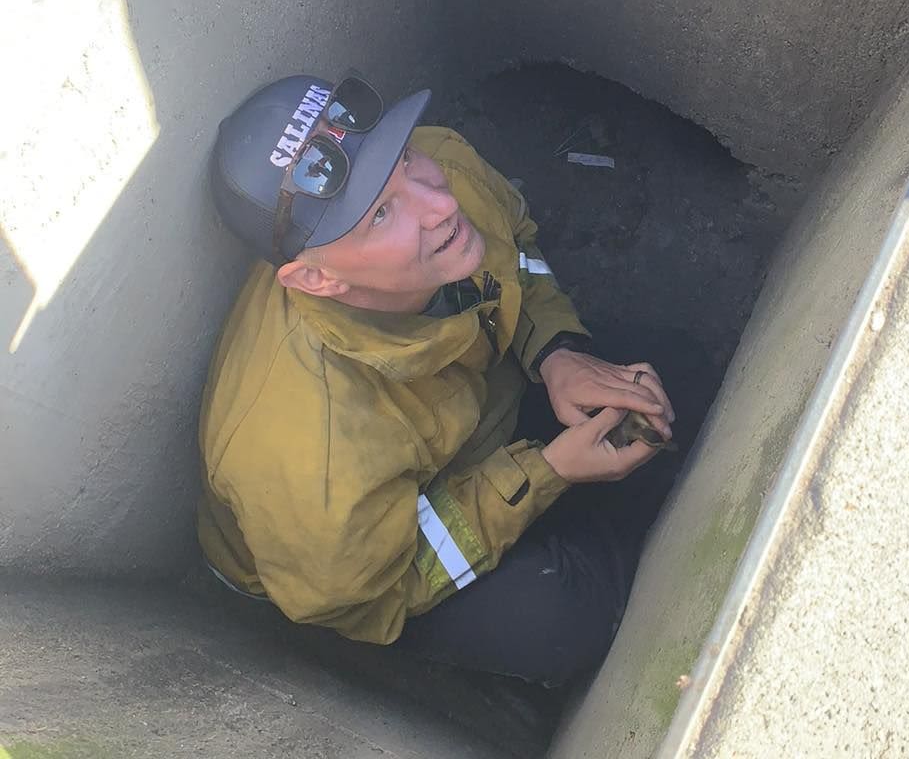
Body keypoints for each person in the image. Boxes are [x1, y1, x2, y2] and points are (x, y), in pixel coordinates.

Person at [198, 71, 691, 686]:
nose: (439, 201)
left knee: (662, 383)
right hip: (360, 566)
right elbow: (374, 592)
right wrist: (549, 473)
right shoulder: (312, 457)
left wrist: (557, 351)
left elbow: (516, 247)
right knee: (567, 615)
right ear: (316, 281)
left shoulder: (440, 165)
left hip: (463, 418)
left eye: (402, 157)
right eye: (381, 214)